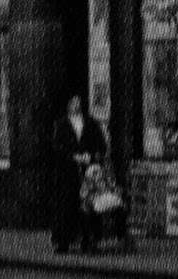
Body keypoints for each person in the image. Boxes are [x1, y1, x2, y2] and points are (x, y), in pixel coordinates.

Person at [51, 94, 108, 254]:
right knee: (67, 206)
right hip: (67, 172)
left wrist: (90, 155)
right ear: (68, 105)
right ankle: (63, 242)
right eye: (73, 102)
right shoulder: (61, 124)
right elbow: (57, 146)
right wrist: (72, 156)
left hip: (88, 172)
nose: (76, 105)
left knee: (89, 205)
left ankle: (88, 241)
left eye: (78, 102)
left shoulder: (91, 123)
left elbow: (101, 145)